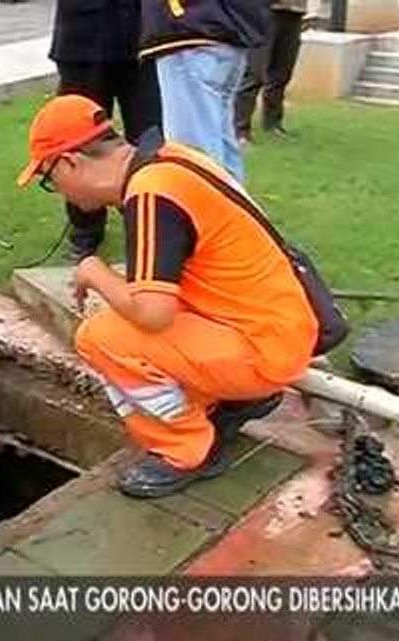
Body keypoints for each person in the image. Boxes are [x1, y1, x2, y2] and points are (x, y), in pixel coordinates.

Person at [17, 96, 318, 498]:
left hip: (264, 348)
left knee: (101, 336)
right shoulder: (169, 160)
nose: (59, 193)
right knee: (136, 316)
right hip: (276, 328)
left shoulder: (151, 192)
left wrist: (94, 271)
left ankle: (186, 448)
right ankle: (229, 399)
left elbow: (153, 314)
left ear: (70, 161)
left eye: (50, 180)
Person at [49, 0, 161, 261]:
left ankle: (150, 215)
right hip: (82, 38)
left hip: (140, 37)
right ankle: (85, 228)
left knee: (149, 136)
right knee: (77, 137)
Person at [140, 0, 269, 182]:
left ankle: (205, 207)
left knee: (192, 158)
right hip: (225, 28)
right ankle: (230, 208)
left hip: (191, 29)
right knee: (222, 149)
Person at [235, 0, 307, 142]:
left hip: (294, 12)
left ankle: (273, 124)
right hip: (265, 10)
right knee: (254, 73)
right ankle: (240, 129)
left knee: (282, 73)